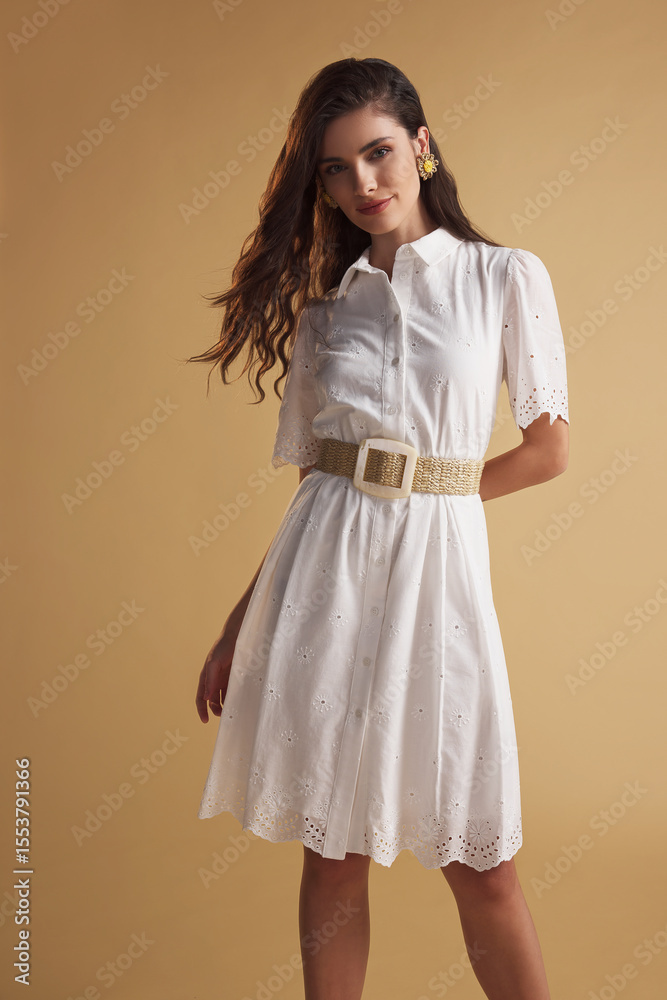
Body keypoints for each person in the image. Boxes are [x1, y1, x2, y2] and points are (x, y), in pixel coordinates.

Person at [190, 57, 569, 1000]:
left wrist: (432, 494)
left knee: (479, 859)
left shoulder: (501, 277)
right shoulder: (328, 307)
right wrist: (241, 623)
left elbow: (548, 449)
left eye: (380, 153)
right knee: (332, 848)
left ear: (422, 146)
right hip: (322, 579)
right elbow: (319, 482)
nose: (363, 183)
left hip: (435, 582)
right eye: (335, 168)